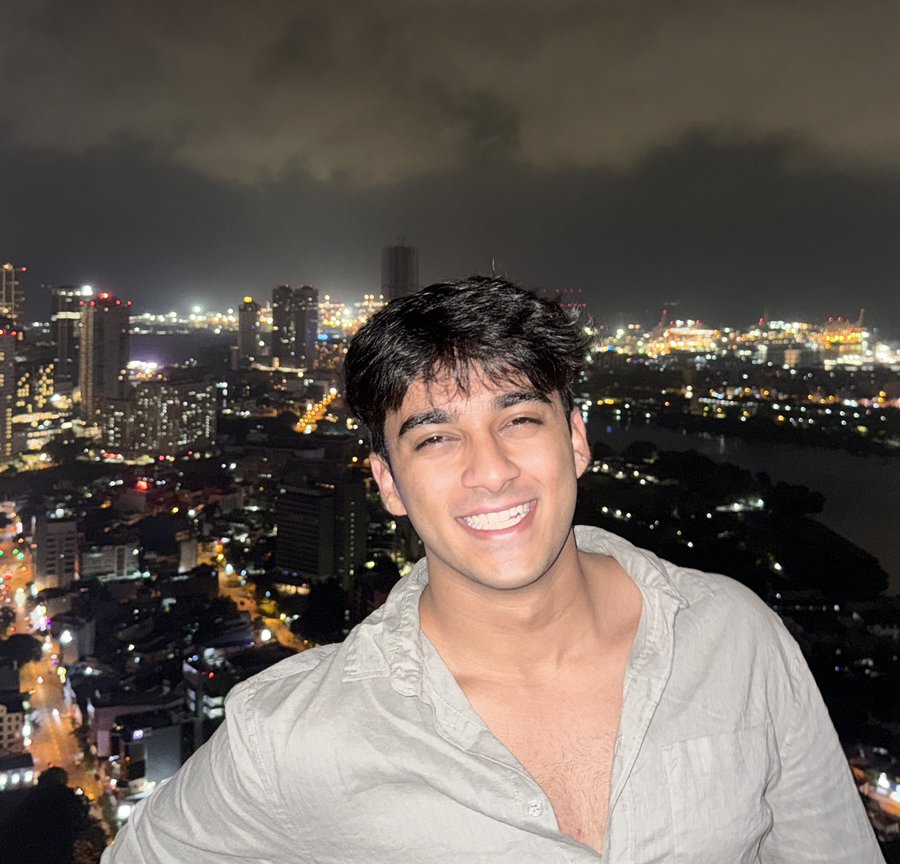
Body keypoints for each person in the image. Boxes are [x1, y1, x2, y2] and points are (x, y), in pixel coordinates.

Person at [105, 276, 881, 862]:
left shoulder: (735, 636)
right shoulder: (298, 737)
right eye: (436, 438)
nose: (491, 471)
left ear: (576, 440)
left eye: (519, 419)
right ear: (388, 483)